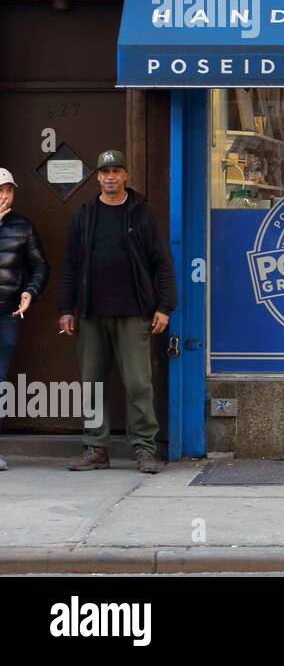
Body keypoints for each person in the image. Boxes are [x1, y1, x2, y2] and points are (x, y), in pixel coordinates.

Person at [59, 150, 178, 474]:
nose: (110, 176)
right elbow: (70, 266)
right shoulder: (84, 215)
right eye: (105, 171)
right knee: (92, 384)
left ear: (126, 175)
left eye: (116, 170)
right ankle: (95, 447)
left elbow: (161, 263)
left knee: (139, 384)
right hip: (91, 313)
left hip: (133, 312)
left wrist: (165, 307)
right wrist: (66, 309)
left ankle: (144, 447)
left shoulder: (141, 213)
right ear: (97, 177)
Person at [0, 167, 49, 471]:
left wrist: (31, 291)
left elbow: (40, 266)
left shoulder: (23, 226)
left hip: (6, 316)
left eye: (8, 190)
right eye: (0, 191)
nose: (4, 196)